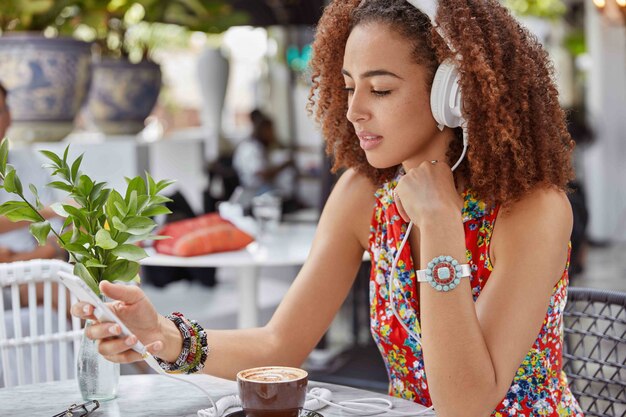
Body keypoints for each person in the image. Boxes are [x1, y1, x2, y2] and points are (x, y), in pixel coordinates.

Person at [71, 1, 583, 415]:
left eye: (380, 88)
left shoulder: (534, 209)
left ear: (453, 94)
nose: (355, 109)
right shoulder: (365, 194)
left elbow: (465, 405)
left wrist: (440, 222)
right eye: (348, 87)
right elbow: (279, 346)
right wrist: (163, 336)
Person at [0, 81, 67, 306]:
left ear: (9, 116)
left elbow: (55, 229)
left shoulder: (27, 161)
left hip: (34, 265)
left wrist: (44, 251)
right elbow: (54, 212)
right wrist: (48, 212)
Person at [232, 109, 297, 209]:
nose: (273, 134)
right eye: (270, 130)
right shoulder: (251, 148)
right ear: (263, 130)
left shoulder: (260, 147)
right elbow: (262, 175)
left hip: (262, 191)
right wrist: (284, 165)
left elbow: (280, 144)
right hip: (254, 194)